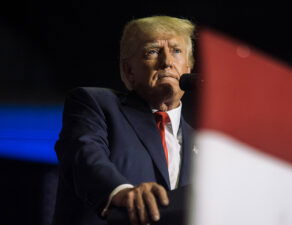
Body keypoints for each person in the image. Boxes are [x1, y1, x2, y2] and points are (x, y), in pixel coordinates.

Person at [52, 15, 195, 225]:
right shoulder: (96, 104)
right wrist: (121, 191)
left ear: (189, 68)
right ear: (129, 71)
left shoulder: (203, 143)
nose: (167, 62)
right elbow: (84, 155)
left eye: (176, 51)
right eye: (153, 51)